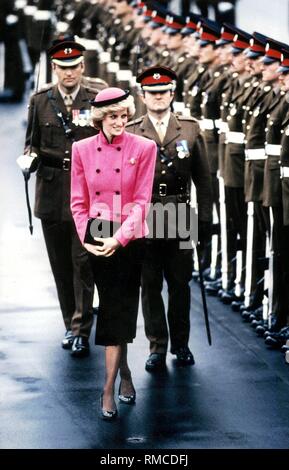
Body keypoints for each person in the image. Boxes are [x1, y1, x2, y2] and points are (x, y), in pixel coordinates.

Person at [70, 87, 157, 419]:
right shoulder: (81, 149)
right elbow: (78, 203)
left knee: (119, 309)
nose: (120, 122)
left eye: (124, 115)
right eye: (113, 116)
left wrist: (119, 240)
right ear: (100, 119)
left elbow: (141, 201)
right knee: (111, 308)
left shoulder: (144, 147)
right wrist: (86, 237)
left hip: (129, 235)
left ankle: (118, 379)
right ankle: (112, 385)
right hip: (96, 234)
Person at [126, 66, 212, 372]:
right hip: (146, 215)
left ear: (172, 94)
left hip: (179, 214)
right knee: (149, 285)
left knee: (180, 284)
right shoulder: (133, 131)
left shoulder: (189, 129)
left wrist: (204, 220)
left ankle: (181, 344)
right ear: (143, 96)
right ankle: (157, 347)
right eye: (152, 93)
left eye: (163, 92)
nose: (158, 98)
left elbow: (204, 179)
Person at [23, 37, 99, 357]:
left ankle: (82, 329)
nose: (69, 74)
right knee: (61, 265)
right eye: (63, 68)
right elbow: (32, 143)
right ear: (54, 69)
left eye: (74, 67)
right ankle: (71, 322)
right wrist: (28, 159)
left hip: (87, 191)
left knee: (84, 261)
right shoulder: (40, 100)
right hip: (52, 190)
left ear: (82, 67)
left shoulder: (96, 98)